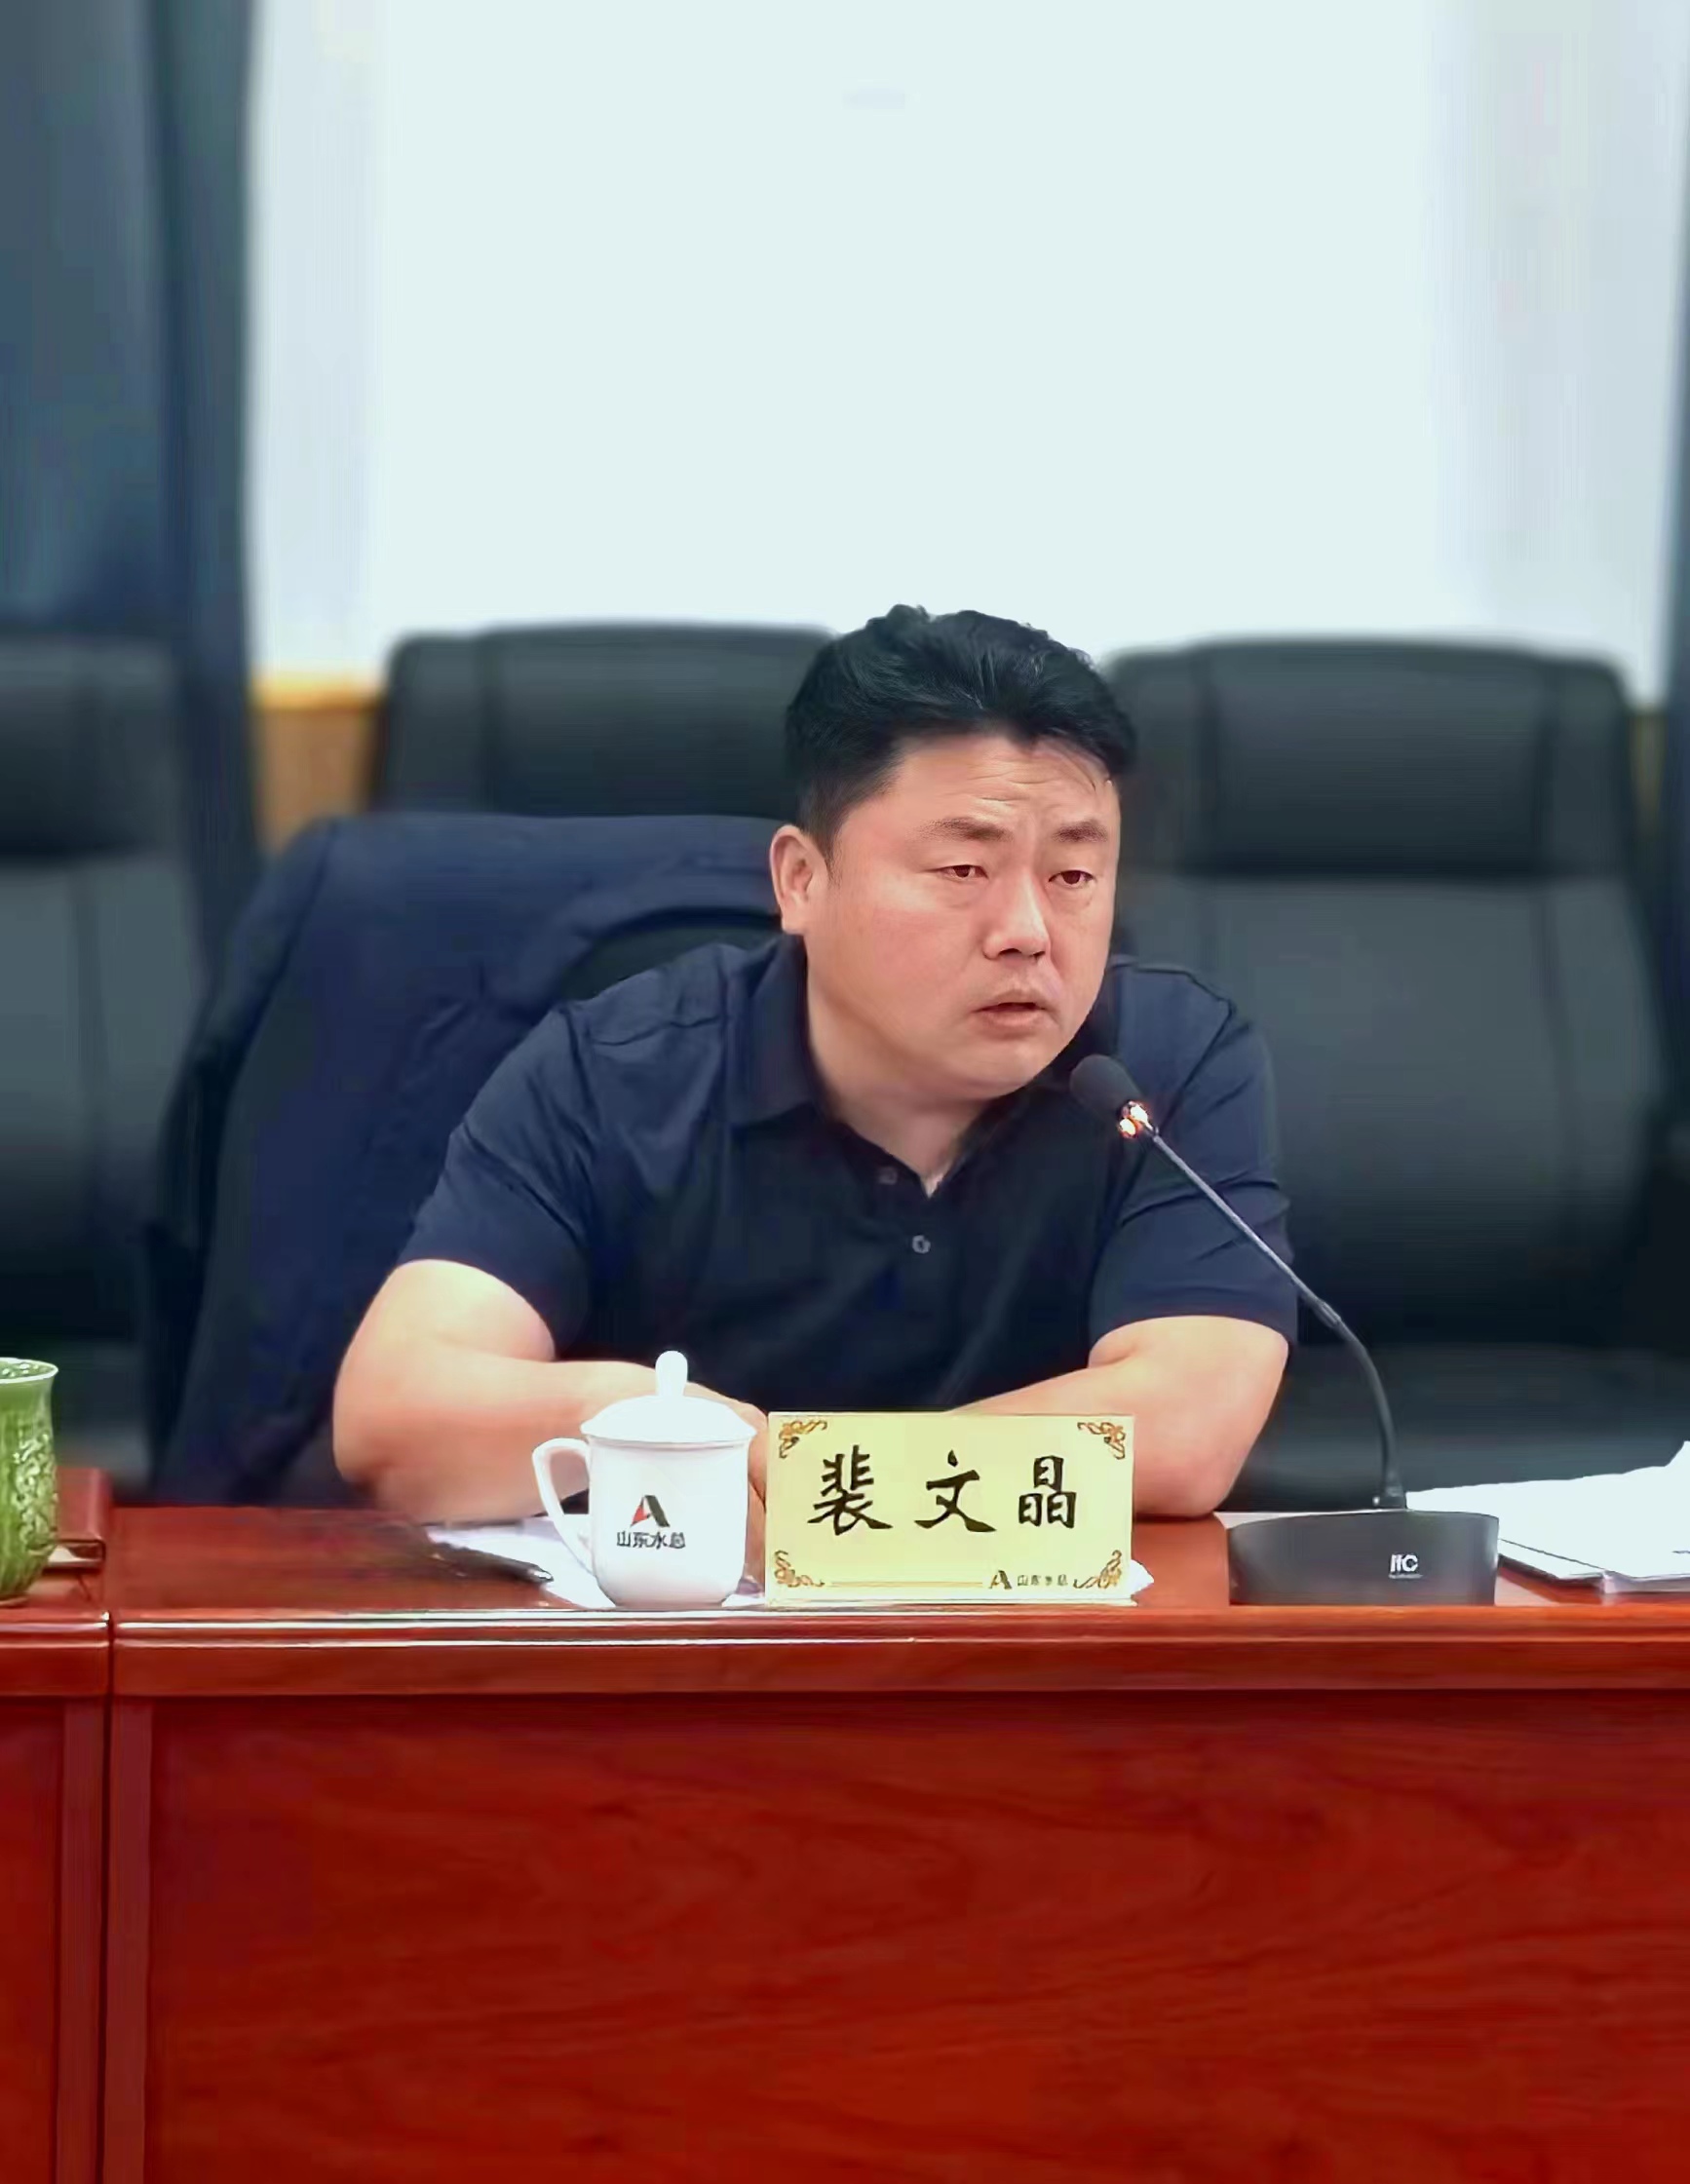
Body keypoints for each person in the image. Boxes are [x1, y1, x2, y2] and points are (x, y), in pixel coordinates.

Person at [334, 607, 1292, 1534]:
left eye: (1073, 876)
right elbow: (393, 1419)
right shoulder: (612, 1074)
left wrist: (806, 1491)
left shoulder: (1164, 1062)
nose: (1027, 932)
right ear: (800, 880)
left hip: (1040, 1633)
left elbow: (1187, 1425)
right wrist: (641, 1414)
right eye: (963, 871)